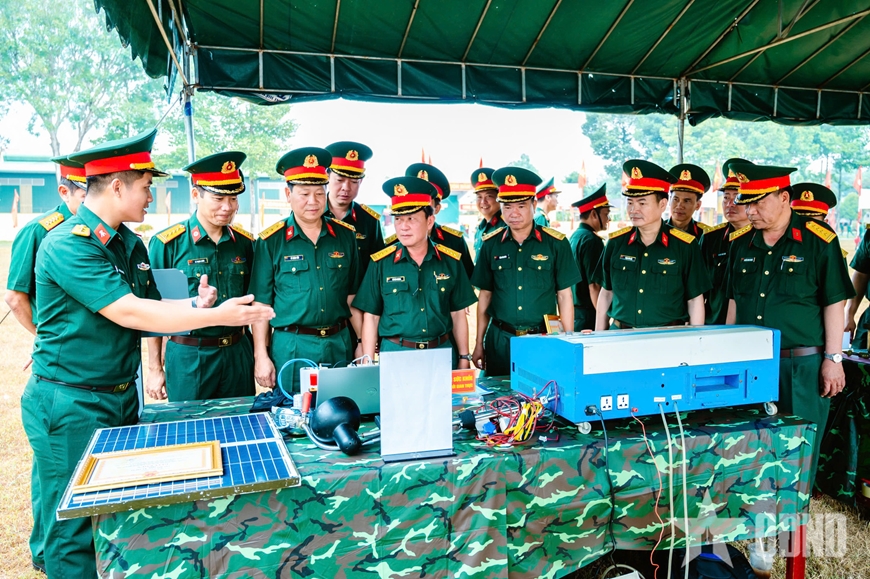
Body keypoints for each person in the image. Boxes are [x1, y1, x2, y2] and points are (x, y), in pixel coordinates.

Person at [20, 128, 274, 579]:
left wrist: (198, 304)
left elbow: (155, 306)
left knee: (113, 510)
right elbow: (130, 312)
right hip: (72, 401)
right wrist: (220, 316)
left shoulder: (129, 243)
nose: (152, 196)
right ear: (118, 187)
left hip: (118, 396)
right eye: (145, 186)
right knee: (73, 526)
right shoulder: (69, 244)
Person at [725, 162, 853, 484]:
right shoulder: (741, 243)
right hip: (749, 362)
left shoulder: (818, 241)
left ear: (784, 197)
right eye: (746, 203)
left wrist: (833, 358)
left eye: (758, 203)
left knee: (799, 451)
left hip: (800, 365)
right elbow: (733, 303)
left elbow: (833, 303)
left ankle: (795, 513)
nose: (750, 211)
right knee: (749, 447)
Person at [5, 154, 87, 574]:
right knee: (52, 470)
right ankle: (44, 548)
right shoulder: (41, 231)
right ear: (64, 191)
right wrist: (45, 339)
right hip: (58, 367)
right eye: (84, 192)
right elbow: (16, 297)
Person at [250, 147, 363, 392]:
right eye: (304, 194)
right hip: (292, 347)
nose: (313, 201)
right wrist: (261, 355)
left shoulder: (345, 237)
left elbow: (352, 297)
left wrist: (362, 341)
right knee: (293, 411)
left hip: (338, 344)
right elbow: (260, 305)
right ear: (287, 194)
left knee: (343, 408)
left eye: (319, 193)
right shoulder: (271, 241)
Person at [147, 151, 256, 402]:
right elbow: (152, 308)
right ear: (196, 195)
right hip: (189, 355)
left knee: (241, 420)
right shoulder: (168, 244)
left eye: (233, 198)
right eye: (218, 198)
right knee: (189, 423)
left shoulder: (245, 244)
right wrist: (154, 368)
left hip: (237, 353)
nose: (227, 207)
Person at [353, 176, 477, 368]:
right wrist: (368, 363)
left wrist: (463, 358)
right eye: (398, 219)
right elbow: (371, 317)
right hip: (395, 355)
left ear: (430, 221)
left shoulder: (450, 261)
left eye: (411, 219)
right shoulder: (380, 263)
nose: (403, 227)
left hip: (441, 354)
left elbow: (458, 314)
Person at [471, 167, 581, 376]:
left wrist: (568, 340)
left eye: (521, 206)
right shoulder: (491, 245)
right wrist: (478, 343)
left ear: (534, 204)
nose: (513, 213)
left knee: (542, 392)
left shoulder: (556, 244)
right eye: (507, 206)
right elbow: (485, 296)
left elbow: (565, 296)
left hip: (542, 338)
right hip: (500, 339)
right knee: (499, 393)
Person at [595, 160, 710, 330]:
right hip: (620, 334)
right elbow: (606, 293)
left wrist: (695, 338)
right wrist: (600, 335)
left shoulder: (685, 246)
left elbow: (694, 299)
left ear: (662, 204)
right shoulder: (615, 243)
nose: (634, 210)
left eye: (642, 203)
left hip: (666, 336)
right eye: (630, 202)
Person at [388, 163, 475, 278]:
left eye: (426, 203)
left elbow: (467, 280)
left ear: (437, 209)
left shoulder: (454, 241)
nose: (420, 208)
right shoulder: (392, 245)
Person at [699, 158, 753, 325]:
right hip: (714, 325)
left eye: (737, 198)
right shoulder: (710, 238)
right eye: (726, 198)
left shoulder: (763, 238)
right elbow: (699, 290)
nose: (730, 204)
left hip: (749, 326)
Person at [323, 141, 385, 277]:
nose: (346, 188)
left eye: (354, 181)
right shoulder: (312, 214)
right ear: (327, 176)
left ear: (361, 182)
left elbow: (378, 268)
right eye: (340, 180)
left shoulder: (369, 220)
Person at [568, 184, 611, 331]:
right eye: (606, 214)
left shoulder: (576, 236)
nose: (608, 219)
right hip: (589, 314)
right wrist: (603, 323)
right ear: (594, 214)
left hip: (575, 314)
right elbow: (594, 286)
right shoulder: (592, 241)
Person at [667, 163, 712, 237]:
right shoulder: (657, 231)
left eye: (686, 201)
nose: (679, 206)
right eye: (676, 199)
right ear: (669, 201)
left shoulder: (707, 235)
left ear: (698, 205)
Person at [472, 167, 503, 257]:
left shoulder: (507, 226)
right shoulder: (480, 229)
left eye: (489, 196)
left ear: (499, 198)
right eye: (479, 197)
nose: (483, 202)